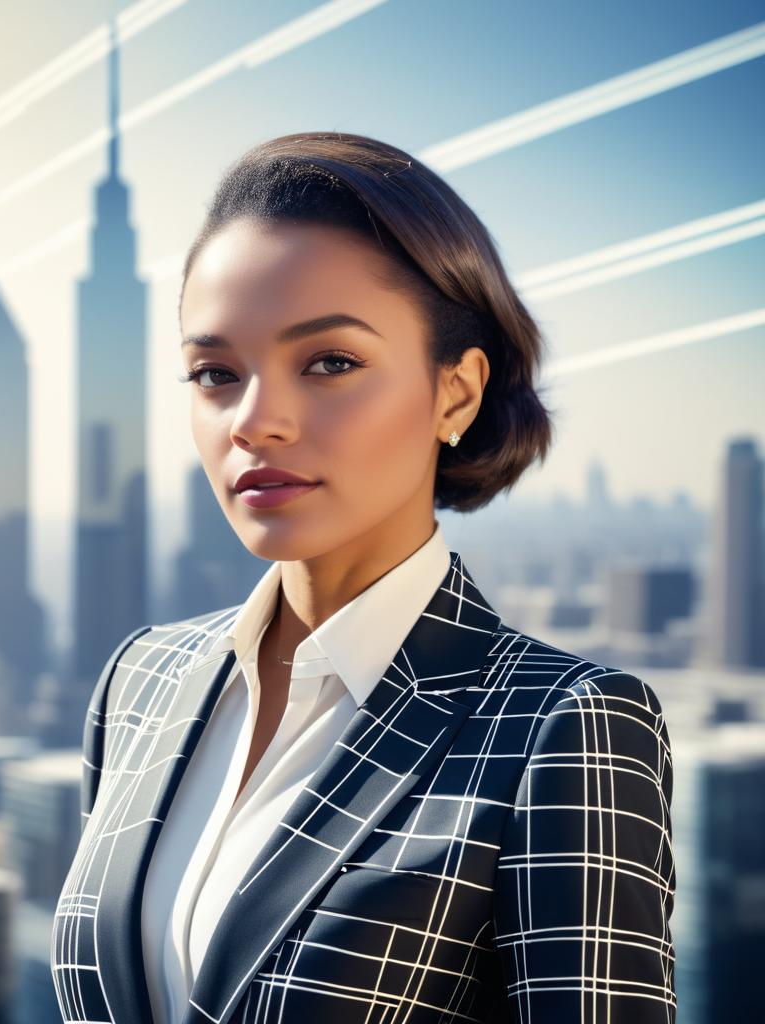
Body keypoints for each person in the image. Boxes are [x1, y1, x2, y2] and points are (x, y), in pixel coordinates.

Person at [51, 131, 677, 1024]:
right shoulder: (139, 680)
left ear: (455, 393)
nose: (256, 422)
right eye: (216, 373)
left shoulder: (563, 728)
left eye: (330, 363)